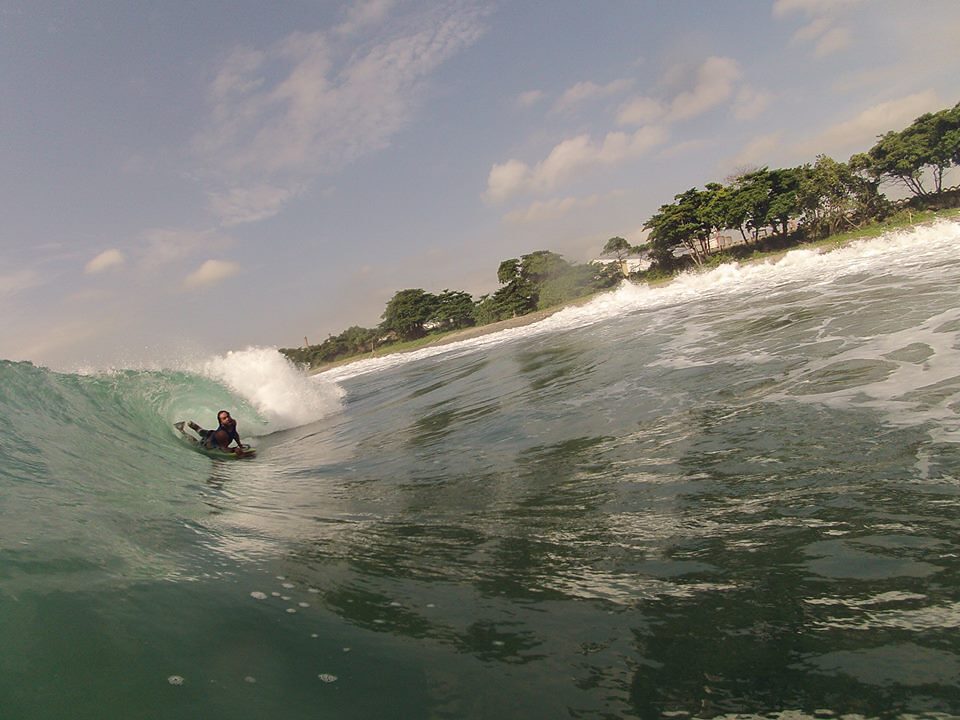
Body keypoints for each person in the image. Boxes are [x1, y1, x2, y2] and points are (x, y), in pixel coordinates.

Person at [177, 411, 247, 456]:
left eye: (228, 416)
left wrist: (240, 445)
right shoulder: (222, 434)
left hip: (213, 434)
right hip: (208, 443)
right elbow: (224, 449)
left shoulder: (233, 422)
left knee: (203, 432)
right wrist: (234, 449)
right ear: (221, 423)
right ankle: (181, 430)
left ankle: (191, 424)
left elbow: (235, 434)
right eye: (224, 418)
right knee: (196, 443)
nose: (228, 419)